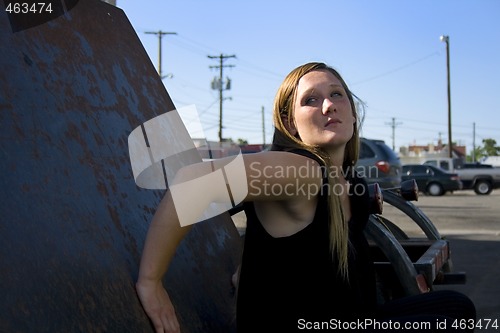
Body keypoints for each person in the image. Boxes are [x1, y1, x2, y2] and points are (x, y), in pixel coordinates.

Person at [135, 62, 476, 332]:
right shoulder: (304, 171)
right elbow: (192, 181)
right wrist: (151, 281)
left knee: (452, 309)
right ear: (290, 123)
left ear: (353, 114)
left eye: (337, 94)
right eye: (310, 99)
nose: (329, 104)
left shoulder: (347, 178)